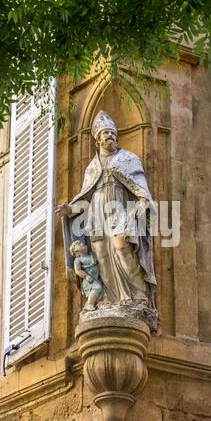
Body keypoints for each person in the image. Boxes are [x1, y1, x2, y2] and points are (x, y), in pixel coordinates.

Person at [57, 110, 156, 308]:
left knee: (122, 247)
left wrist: (143, 204)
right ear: (97, 140)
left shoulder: (128, 159)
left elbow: (141, 188)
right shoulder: (92, 168)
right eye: (105, 134)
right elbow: (85, 198)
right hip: (96, 211)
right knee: (101, 255)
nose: (110, 136)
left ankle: (139, 295)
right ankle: (107, 299)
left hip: (119, 206)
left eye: (112, 133)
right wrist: (70, 210)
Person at [69, 240, 103, 311]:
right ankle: (90, 304)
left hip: (96, 277)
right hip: (89, 280)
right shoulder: (78, 260)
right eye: (80, 246)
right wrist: (86, 276)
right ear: (77, 252)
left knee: (101, 289)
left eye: (83, 244)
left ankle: (98, 302)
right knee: (97, 287)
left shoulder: (91, 254)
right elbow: (78, 271)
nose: (83, 246)